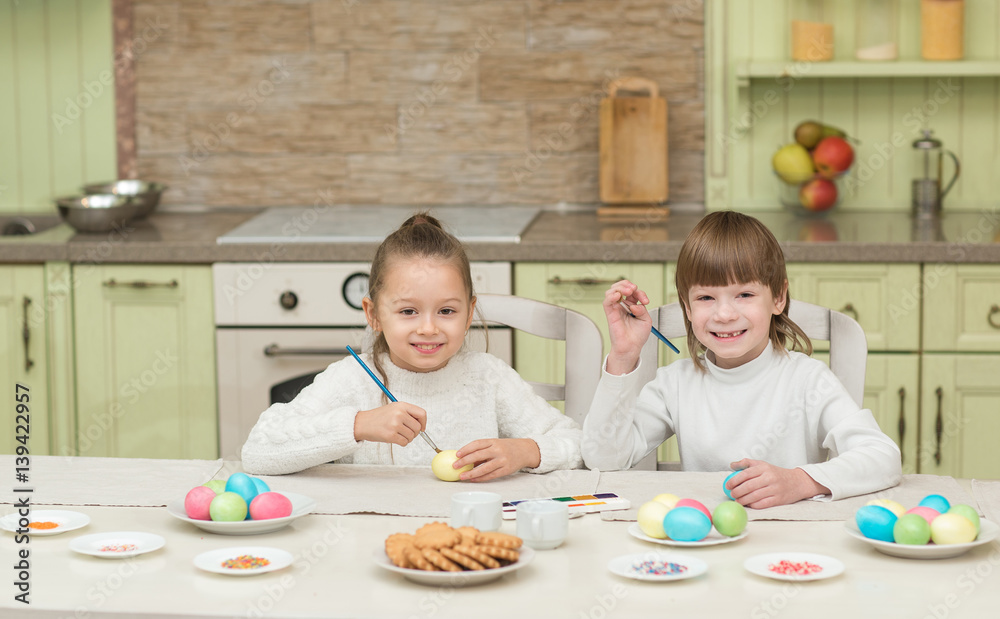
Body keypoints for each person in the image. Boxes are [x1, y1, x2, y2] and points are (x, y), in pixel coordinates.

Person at [582, 211, 901, 508]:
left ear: (778, 297)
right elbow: (603, 460)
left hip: (792, 540)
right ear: (687, 308)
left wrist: (800, 481)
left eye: (745, 295)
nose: (724, 314)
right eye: (706, 298)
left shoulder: (809, 380)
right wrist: (623, 357)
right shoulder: (674, 384)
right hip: (706, 542)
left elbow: (883, 457)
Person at [242, 212, 583, 480]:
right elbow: (258, 450)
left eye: (447, 311)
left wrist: (526, 451)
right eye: (408, 311)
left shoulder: (487, 377)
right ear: (373, 314)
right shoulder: (351, 380)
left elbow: (579, 444)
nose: (429, 328)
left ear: (468, 314)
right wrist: (357, 425)